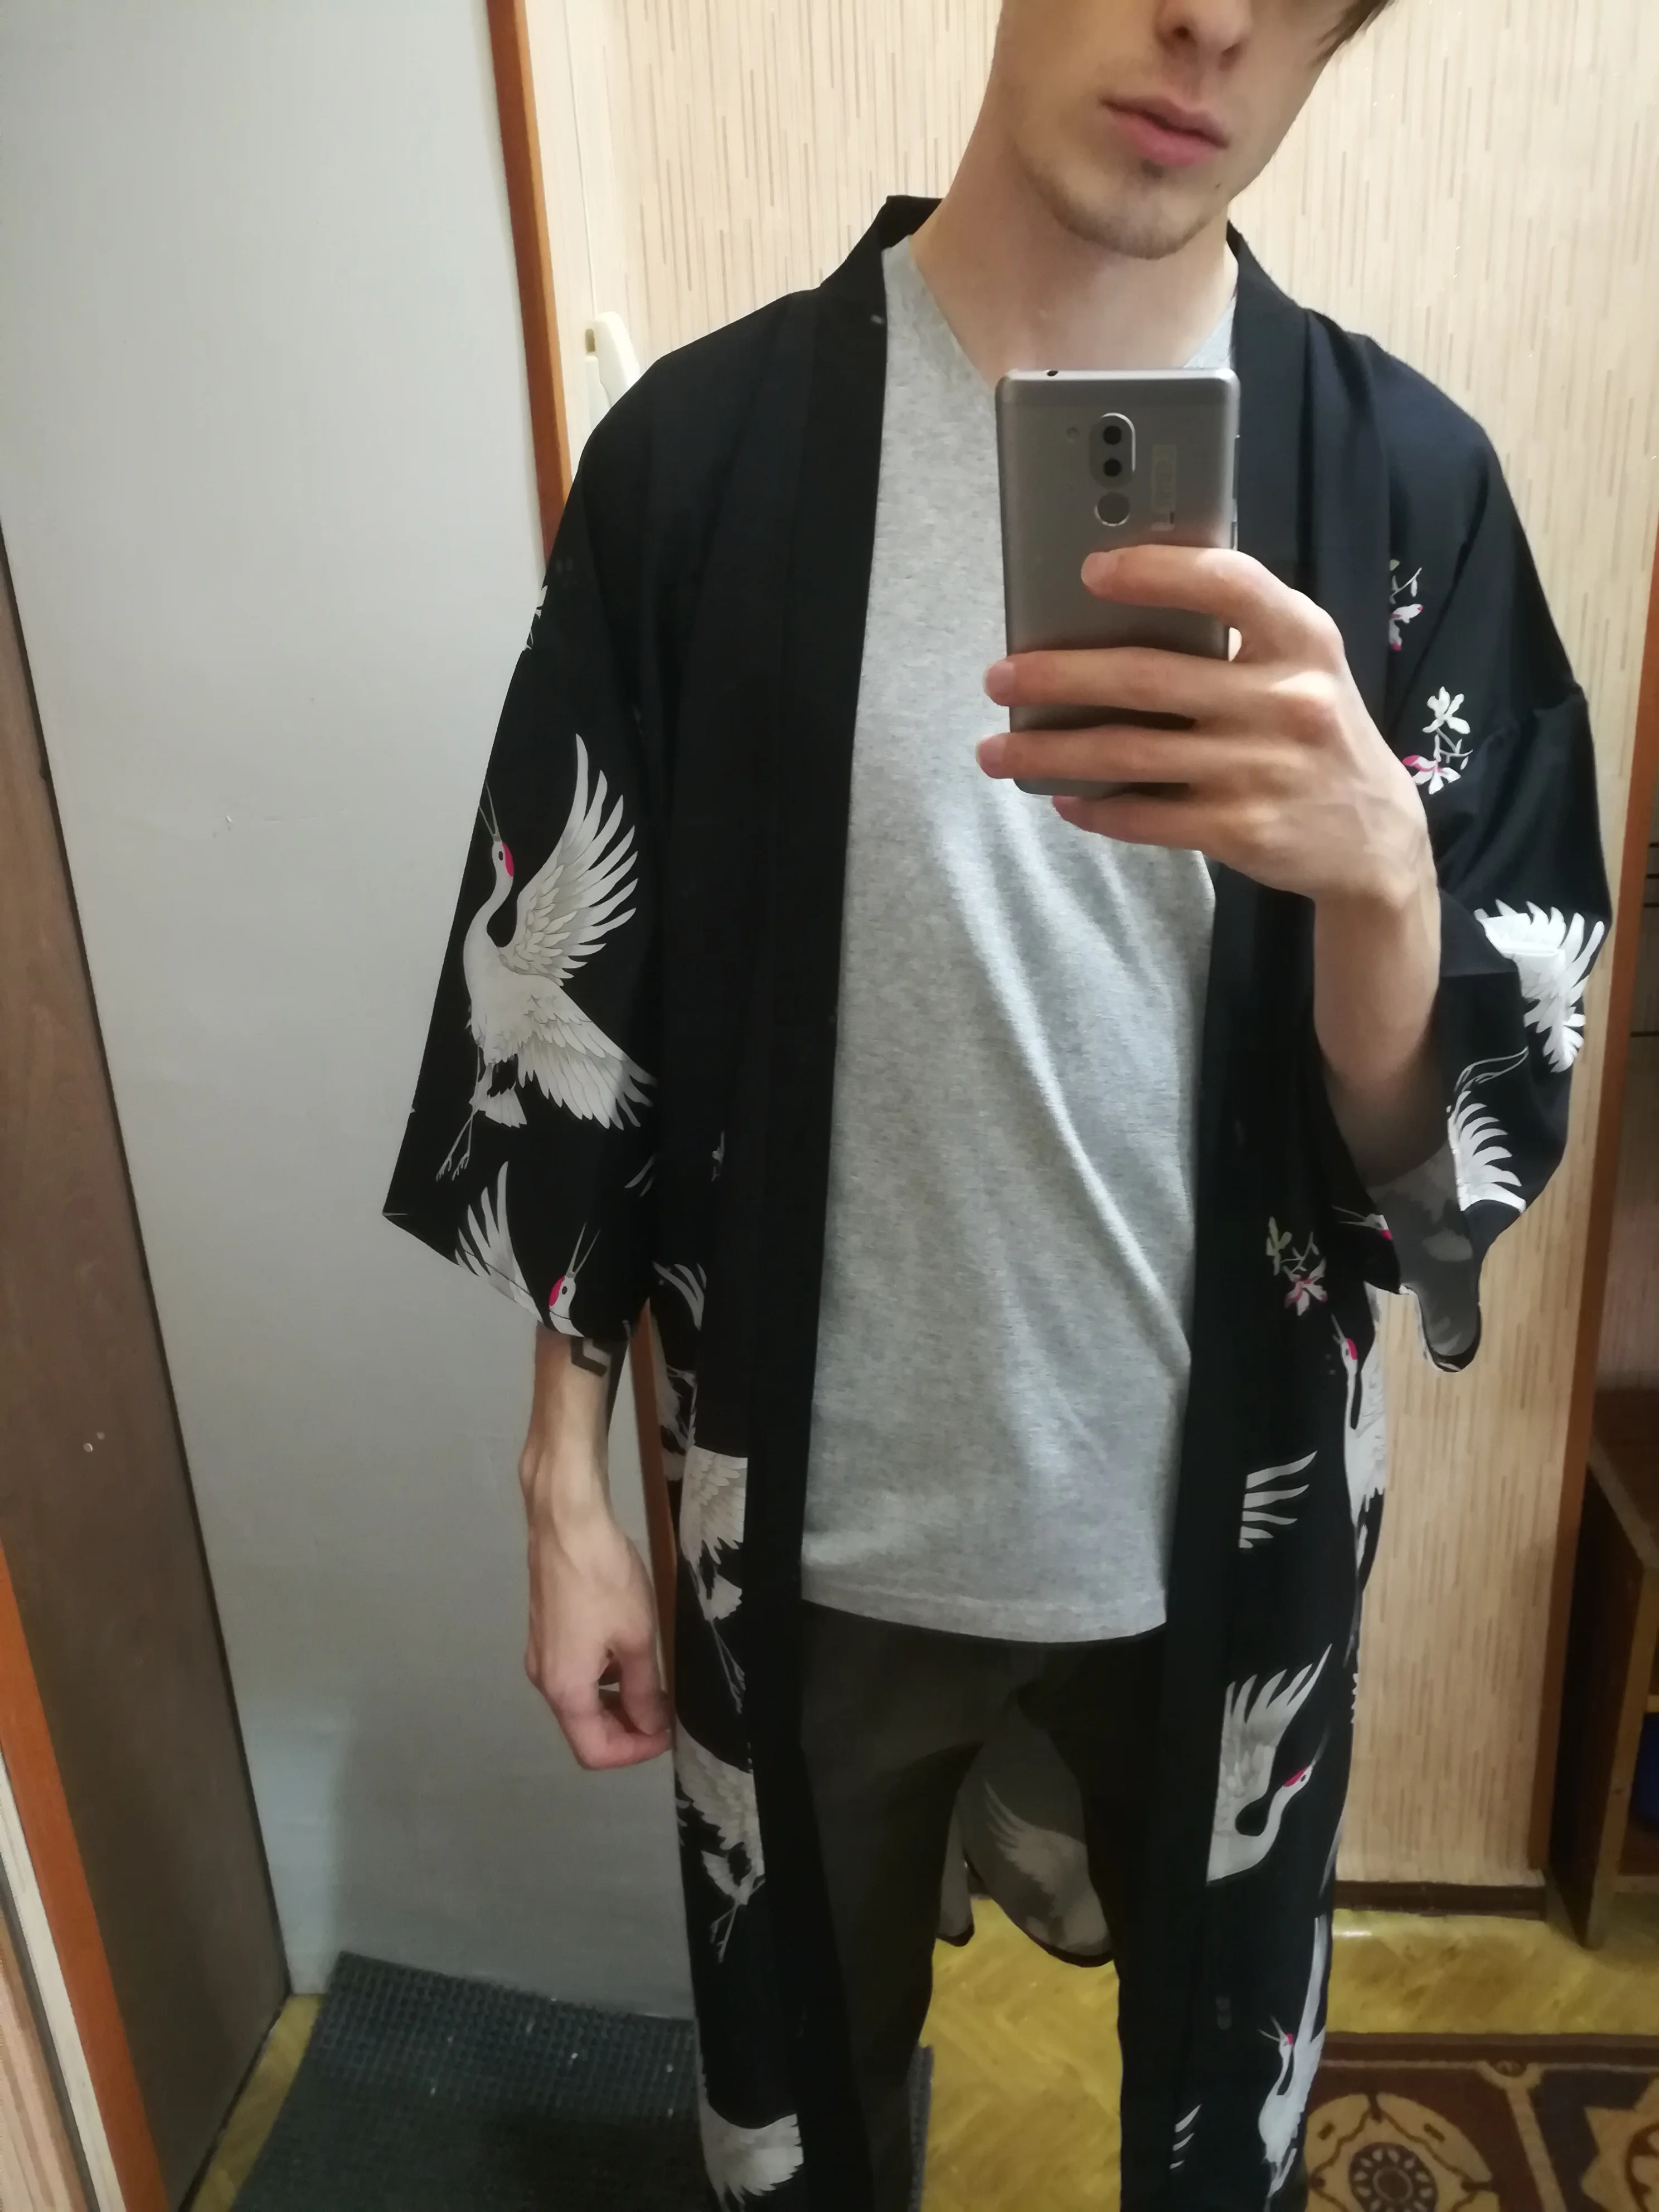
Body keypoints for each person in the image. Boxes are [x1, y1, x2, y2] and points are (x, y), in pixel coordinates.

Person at [385, 1, 1612, 2204]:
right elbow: (576, 1017)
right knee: (802, 2117)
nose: (1212, 22)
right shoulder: (702, 467)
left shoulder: (1407, 500)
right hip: (805, 1537)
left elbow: (1441, 1179)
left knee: (1214, 2130)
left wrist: (1378, 882)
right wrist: (563, 1485)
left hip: (1225, 1544)